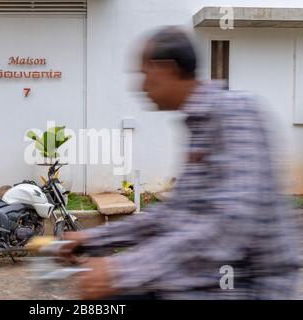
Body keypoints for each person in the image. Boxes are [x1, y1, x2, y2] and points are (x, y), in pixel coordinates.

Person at [63, 26, 302, 300]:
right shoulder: (198, 123)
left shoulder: (236, 113)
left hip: (245, 285)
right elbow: (173, 215)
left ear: (166, 68)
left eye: (144, 73)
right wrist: (93, 239)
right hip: (201, 279)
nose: (140, 86)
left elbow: (231, 222)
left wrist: (122, 270)